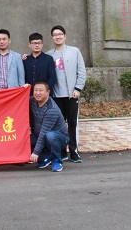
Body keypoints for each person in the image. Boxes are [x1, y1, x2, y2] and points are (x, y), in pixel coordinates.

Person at [45, 25, 86, 163]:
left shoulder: (74, 51)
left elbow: (82, 72)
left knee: (72, 124)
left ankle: (74, 152)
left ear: (65, 36)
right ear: (52, 38)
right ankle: (62, 151)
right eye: (55, 35)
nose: (57, 36)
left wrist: (78, 89)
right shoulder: (49, 55)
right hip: (56, 96)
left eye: (60, 34)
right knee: (59, 125)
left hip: (71, 95)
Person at [29, 81, 69, 172]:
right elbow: (19, 99)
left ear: (48, 92)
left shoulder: (51, 110)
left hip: (59, 138)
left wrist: (35, 153)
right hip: (41, 136)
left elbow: (44, 133)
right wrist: (22, 89)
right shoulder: (33, 101)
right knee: (25, 140)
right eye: (35, 90)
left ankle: (56, 161)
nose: (37, 93)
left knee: (50, 136)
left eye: (41, 90)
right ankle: (45, 158)